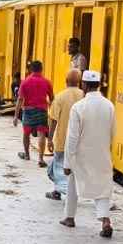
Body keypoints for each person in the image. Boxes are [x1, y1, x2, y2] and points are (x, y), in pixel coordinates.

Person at [61, 70, 116, 238]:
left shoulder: (78, 107)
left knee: (73, 181)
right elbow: (112, 132)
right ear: (98, 85)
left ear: (83, 85)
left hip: (81, 155)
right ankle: (105, 219)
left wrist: (68, 163)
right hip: (101, 153)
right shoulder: (109, 105)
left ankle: (69, 217)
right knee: (103, 187)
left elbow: (72, 138)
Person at [46, 69, 84, 201]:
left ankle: (65, 192)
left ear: (66, 81)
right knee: (59, 168)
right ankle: (59, 191)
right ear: (79, 82)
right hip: (80, 142)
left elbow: (54, 120)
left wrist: (49, 139)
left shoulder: (60, 97)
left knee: (58, 167)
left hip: (62, 141)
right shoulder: (84, 96)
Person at [12, 59, 55, 167]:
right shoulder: (47, 82)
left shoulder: (25, 82)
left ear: (31, 69)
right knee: (41, 133)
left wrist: (16, 116)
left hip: (28, 110)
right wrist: (52, 112)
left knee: (26, 133)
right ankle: (40, 158)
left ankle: (27, 155)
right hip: (42, 110)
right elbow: (52, 98)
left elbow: (20, 100)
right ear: (41, 69)